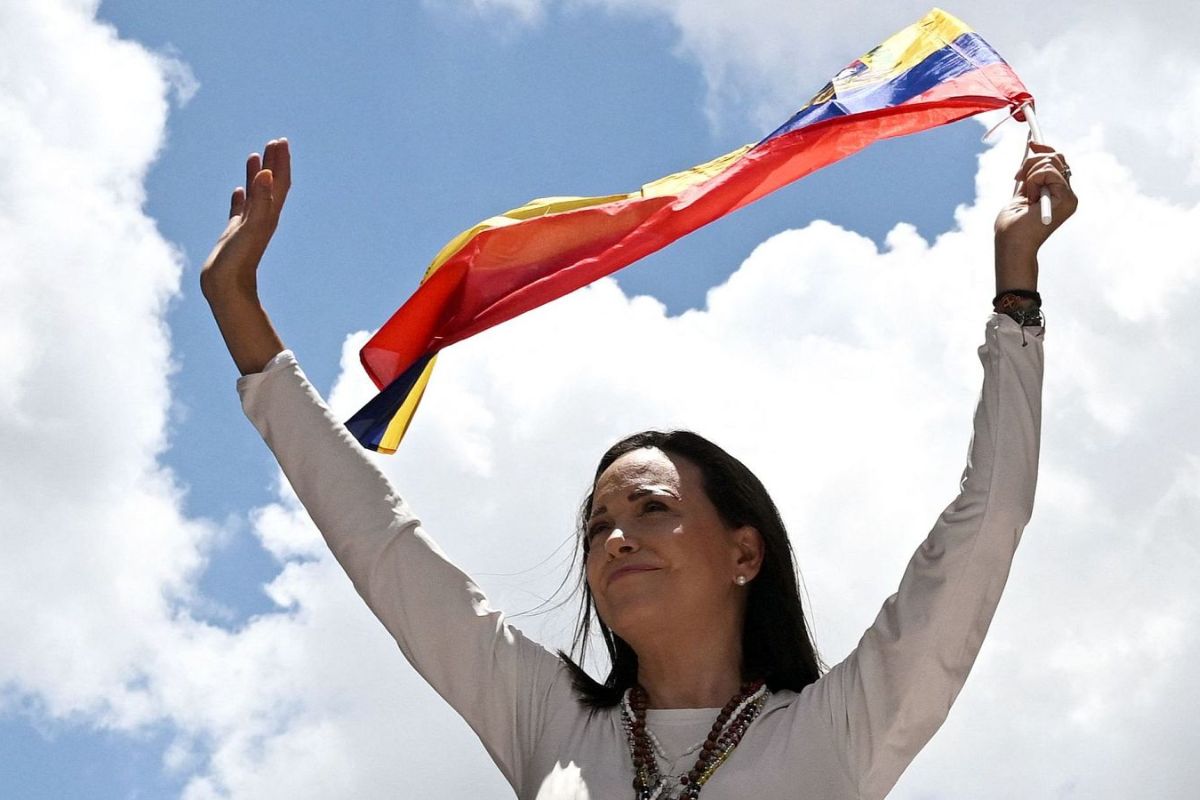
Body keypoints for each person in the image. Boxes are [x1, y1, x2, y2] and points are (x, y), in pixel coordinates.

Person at [201, 137, 1077, 799]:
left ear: (744, 552)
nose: (616, 539)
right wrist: (239, 312)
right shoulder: (546, 718)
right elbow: (382, 543)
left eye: (652, 508)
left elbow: (989, 518)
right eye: (597, 527)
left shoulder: (841, 727)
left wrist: (1016, 290)